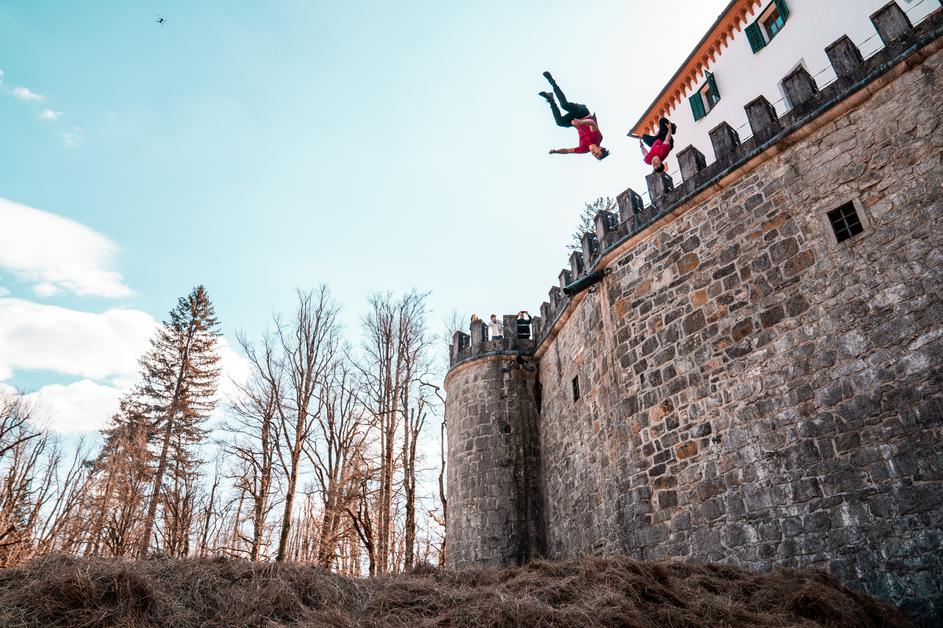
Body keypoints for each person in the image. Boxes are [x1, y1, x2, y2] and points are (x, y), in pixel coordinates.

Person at [539, 72, 609, 161]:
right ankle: (552, 81)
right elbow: (592, 123)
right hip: (583, 113)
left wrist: (556, 151)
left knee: (560, 122)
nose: (594, 153)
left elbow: (568, 151)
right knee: (564, 105)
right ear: (600, 148)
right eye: (597, 153)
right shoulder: (597, 138)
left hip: (575, 121)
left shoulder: (583, 149)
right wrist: (580, 122)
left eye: (595, 156)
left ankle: (550, 99)